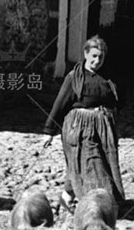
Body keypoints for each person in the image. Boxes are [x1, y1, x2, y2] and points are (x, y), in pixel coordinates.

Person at [42, 36, 125, 211]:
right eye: (94, 56)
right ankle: (97, 204)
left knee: (87, 164)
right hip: (80, 128)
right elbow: (60, 103)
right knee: (91, 163)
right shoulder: (75, 78)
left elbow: (120, 100)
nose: (97, 61)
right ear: (86, 54)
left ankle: (66, 197)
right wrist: (49, 130)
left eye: (101, 57)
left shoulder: (109, 77)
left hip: (103, 128)